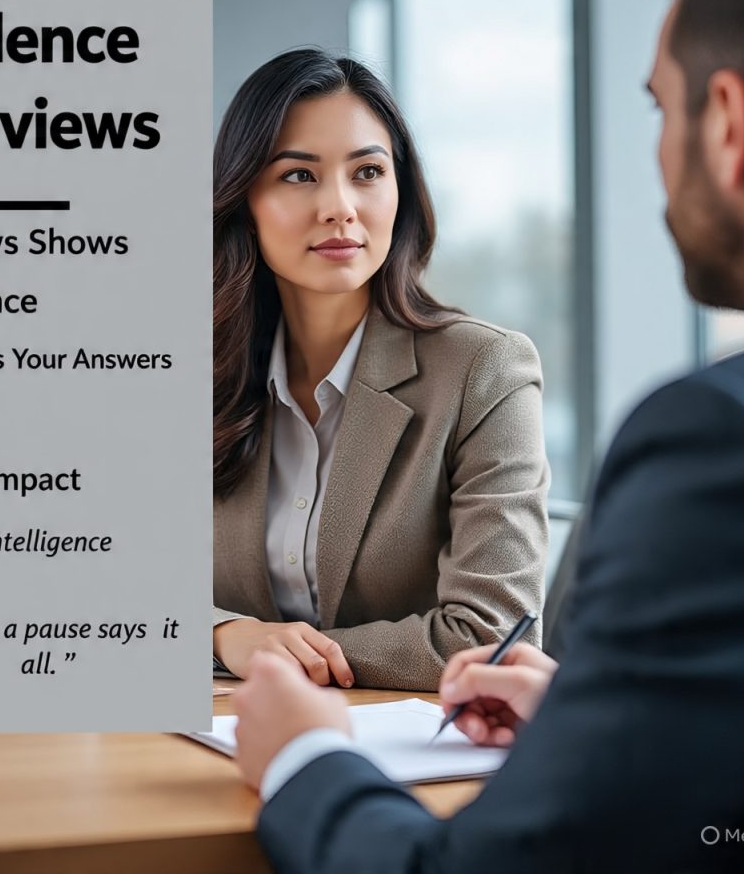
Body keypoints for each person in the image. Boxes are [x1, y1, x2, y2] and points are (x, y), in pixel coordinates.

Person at [232, 0, 744, 873]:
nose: (338, 205)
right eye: (297, 173)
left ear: (726, 121)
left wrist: (301, 762)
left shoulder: (729, 439)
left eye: (656, 108)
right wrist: (602, 718)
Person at [213, 49, 549, 690]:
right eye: (298, 176)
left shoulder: (485, 372)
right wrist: (226, 634)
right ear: (244, 203)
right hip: (206, 746)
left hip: (409, 763)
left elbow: (491, 639)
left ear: (401, 192)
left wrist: (280, 660)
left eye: (367, 171)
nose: (339, 207)